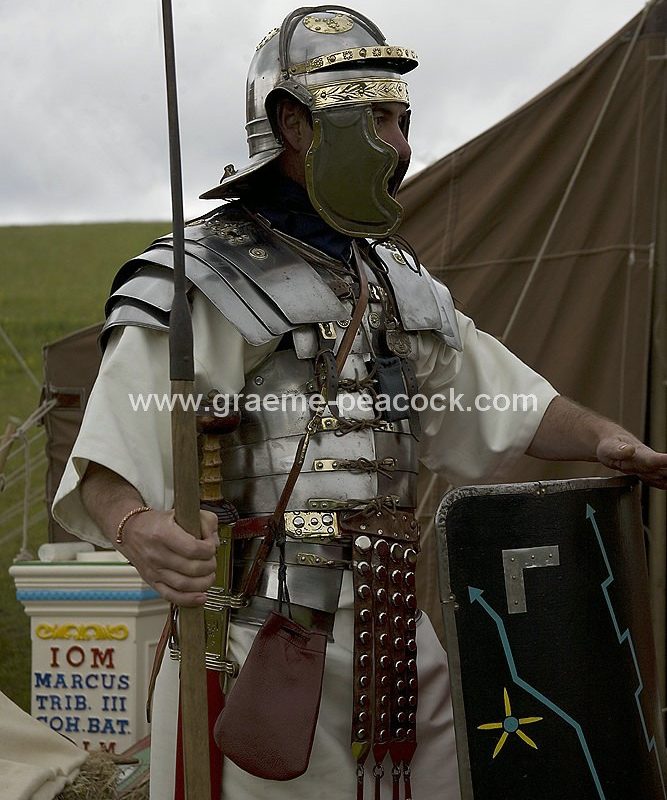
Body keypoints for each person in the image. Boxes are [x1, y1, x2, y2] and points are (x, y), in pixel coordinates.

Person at [53, 7, 667, 800]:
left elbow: (507, 402)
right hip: (256, 641)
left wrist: (604, 438)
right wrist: (136, 528)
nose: (400, 146)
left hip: (396, 637)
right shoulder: (200, 277)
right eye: (376, 119)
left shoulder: (397, 282)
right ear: (294, 123)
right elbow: (108, 454)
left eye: (403, 120)